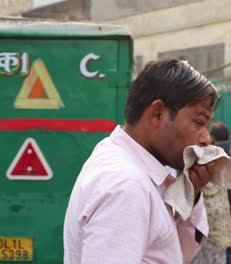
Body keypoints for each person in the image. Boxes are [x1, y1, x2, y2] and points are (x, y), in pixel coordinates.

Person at [64, 58, 220, 264]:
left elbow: (167, 251)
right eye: (199, 122)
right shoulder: (127, 186)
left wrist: (190, 193)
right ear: (157, 114)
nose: (205, 139)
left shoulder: (122, 162)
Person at [191, 136, 231, 264]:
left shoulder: (219, 182)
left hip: (219, 246)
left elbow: (226, 217)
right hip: (195, 248)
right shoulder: (186, 185)